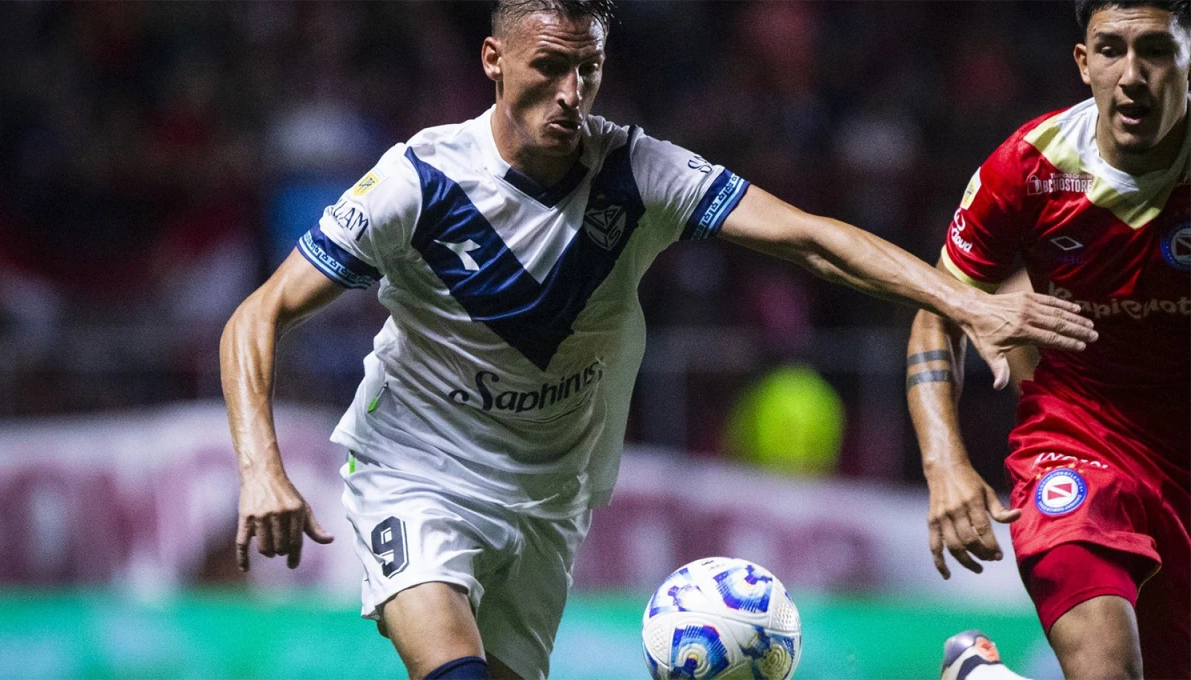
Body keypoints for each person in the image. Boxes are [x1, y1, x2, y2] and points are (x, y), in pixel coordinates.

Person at [221, 2, 1097, 679]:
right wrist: (261, 464)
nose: (571, 95)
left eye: (588, 71)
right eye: (549, 68)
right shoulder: (414, 183)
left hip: (546, 498)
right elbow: (255, 316)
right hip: (414, 472)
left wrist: (966, 301)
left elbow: (810, 238)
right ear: (492, 61)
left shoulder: (639, 173)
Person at [908, 1, 1189, 678]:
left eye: (1155, 50)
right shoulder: (1029, 167)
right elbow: (935, 310)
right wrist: (944, 464)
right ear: (1082, 62)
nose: (1132, 75)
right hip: (1075, 443)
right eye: (1112, 50)